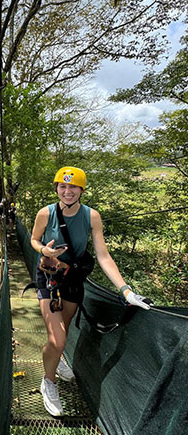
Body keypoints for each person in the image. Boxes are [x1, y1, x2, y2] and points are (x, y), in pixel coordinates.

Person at [30, 166, 151, 417]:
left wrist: (126, 291)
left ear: (81, 190)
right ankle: (48, 382)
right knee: (58, 339)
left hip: (73, 276)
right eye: (62, 186)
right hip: (49, 275)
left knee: (63, 328)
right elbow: (34, 239)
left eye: (73, 186)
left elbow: (103, 256)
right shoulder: (46, 213)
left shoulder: (91, 216)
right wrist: (45, 251)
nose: (67, 191)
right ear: (57, 188)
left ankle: (56, 359)